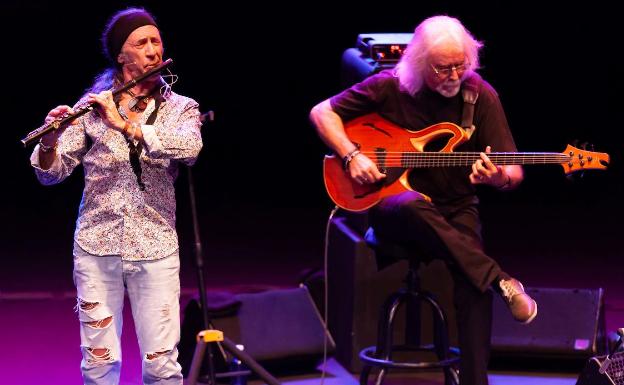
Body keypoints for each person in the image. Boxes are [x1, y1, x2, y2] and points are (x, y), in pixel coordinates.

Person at [310, 15, 537, 385]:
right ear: (419, 64)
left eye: (460, 66)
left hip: (455, 208)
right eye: (442, 68)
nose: (452, 76)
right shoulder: (390, 87)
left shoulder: (479, 95)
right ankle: (501, 279)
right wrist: (352, 155)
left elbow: (513, 171)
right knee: (415, 205)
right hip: (397, 209)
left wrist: (496, 176)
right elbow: (322, 112)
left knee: (472, 282)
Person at [29, 8, 202, 385]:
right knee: (99, 365)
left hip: (155, 248)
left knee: (162, 367)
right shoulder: (92, 108)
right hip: (96, 248)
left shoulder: (181, 108)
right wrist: (49, 140)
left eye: (156, 41)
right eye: (142, 43)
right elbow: (50, 174)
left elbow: (190, 147)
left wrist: (125, 125)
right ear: (121, 56)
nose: (154, 50)